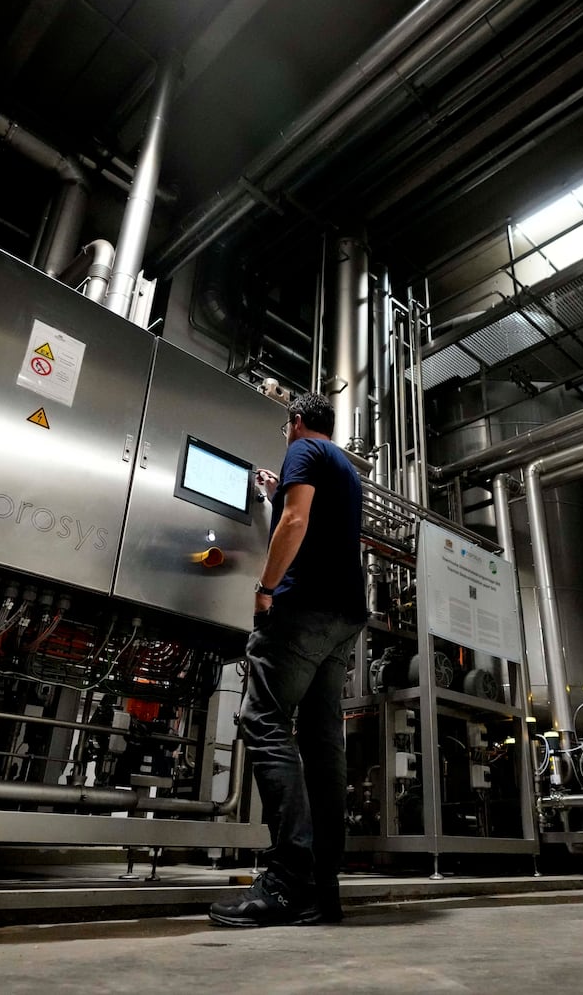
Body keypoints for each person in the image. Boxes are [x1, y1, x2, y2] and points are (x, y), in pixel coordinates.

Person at [208, 391, 367, 928]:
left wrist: (265, 587)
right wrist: (277, 494)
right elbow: (310, 515)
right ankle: (324, 888)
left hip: (304, 610)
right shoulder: (344, 467)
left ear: (296, 423)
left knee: (262, 719)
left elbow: (295, 524)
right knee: (322, 743)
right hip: (345, 618)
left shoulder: (302, 451)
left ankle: (287, 881)